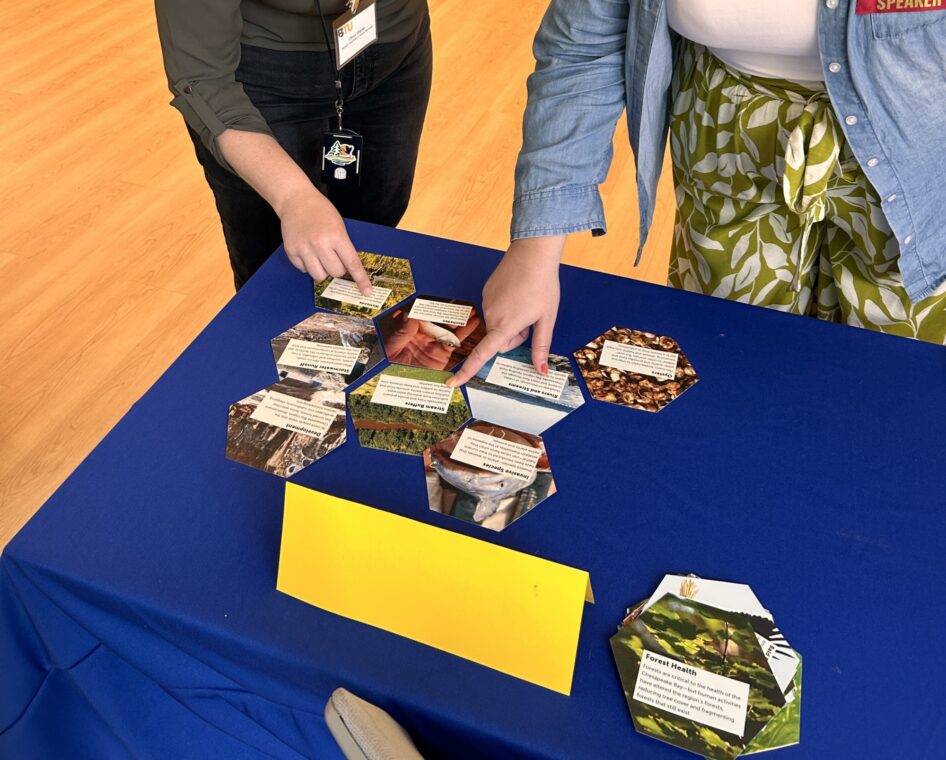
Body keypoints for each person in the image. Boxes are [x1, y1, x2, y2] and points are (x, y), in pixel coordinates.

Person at [449, 0, 946, 387]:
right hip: (723, 135)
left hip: (924, 151)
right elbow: (584, 40)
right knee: (723, 362)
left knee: (898, 380)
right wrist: (537, 246)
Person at [156, 0, 431, 291]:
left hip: (394, 42)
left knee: (373, 231)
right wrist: (293, 197)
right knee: (277, 265)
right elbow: (203, 79)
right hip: (263, 73)